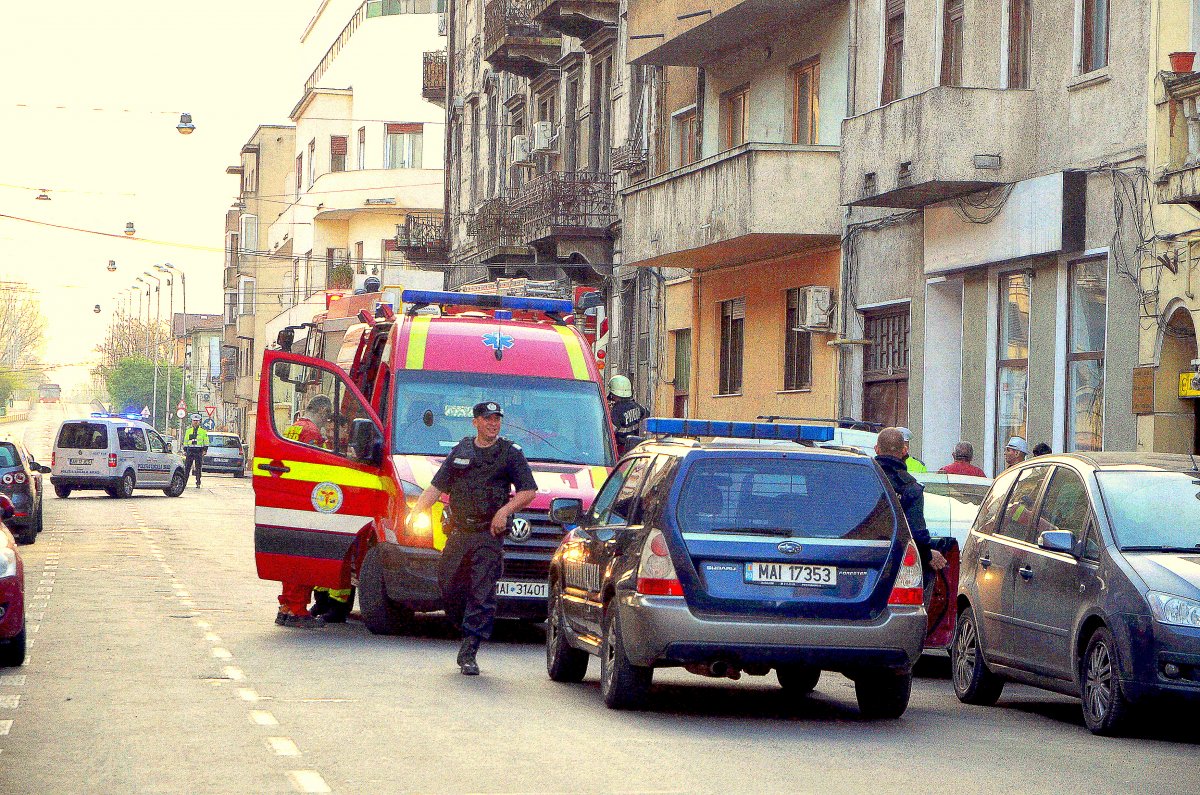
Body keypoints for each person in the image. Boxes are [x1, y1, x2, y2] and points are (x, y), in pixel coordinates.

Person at [409, 401, 538, 675]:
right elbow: (436, 486)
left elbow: (528, 491)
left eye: (497, 419)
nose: (493, 423)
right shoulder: (461, 451)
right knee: (448, 584)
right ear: (475, 422)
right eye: (487, 419)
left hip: (487, 535)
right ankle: (464, 626)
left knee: (482, 591)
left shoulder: (509, 453)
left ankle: (470, 648)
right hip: (459, 532)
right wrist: (416, 511)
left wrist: (504, 511)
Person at [274, 395, 337, 630]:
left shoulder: (294, 427)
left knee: (291, 561)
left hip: (290, 498)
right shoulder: (311, 433)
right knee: (303, 561)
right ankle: (298, 609)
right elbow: (316, 467)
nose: (326, 421)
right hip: (305, 501)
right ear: (321, 411)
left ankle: (286, 607)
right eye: (327, 416)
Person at [875, 428, 947, 577]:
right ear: (904, 450)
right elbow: (917, 532)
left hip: (862, 555)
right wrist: (928, 555)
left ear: (876, 449)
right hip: (898, 562)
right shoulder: (911, 487)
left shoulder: (864, 478)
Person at [607, 375, 648, 455]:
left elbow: (609, 433)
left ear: (613, 393)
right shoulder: (636, 406)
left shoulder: (616, 411)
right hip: (637, 449)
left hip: (622, 451)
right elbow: (646, 414)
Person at [182, 414, 209, 488]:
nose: (195, 422)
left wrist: (205, 450)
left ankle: (198, 482)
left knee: (198, 467)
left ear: (199, 422)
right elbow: (185, 441)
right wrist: (185, 450)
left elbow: (206, 441)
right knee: (187, 467)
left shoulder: (203, 431)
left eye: (197, 421)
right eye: (194, 421)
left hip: (198, 450)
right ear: (192, 421)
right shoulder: (188, 431)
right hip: (190, 450)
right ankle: (184, 482)